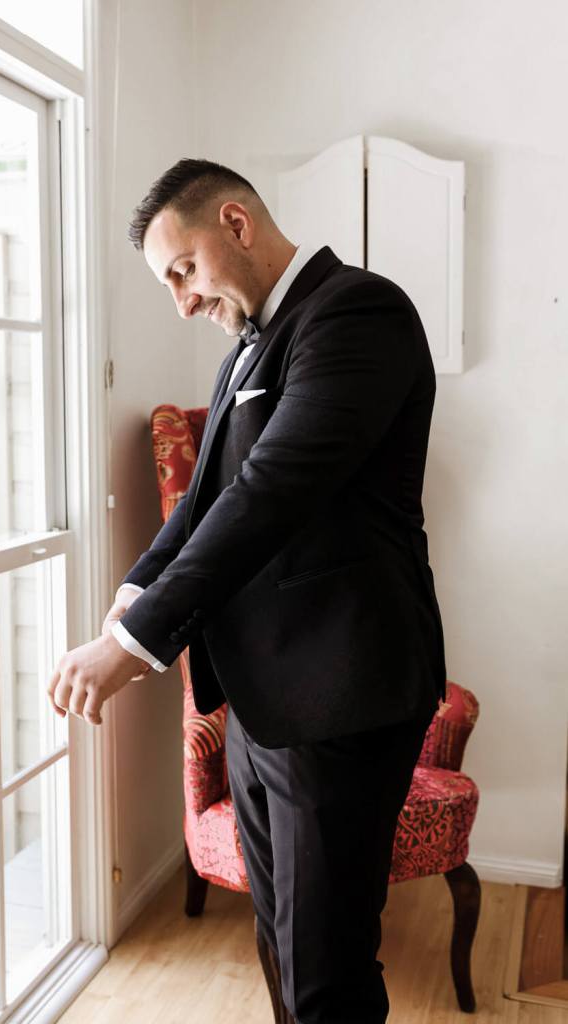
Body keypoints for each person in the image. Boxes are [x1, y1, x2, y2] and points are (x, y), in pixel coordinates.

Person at [47, 158, 448, 1023]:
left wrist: (132, 646)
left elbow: (270, 492)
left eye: (183, 270)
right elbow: (206, 498)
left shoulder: (356, 312)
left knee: (326, 974)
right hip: (261, 704)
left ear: (235, 222)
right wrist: (135, 589)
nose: (182, 301)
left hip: (341, 699)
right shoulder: (249, 345)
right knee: (281, 947)